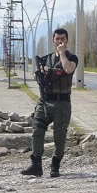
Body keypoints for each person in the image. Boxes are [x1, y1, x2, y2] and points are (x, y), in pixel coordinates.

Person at [23, 27, 77, 178]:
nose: (60, 41)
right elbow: (37, 76)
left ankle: (55, 166)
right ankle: (36, 165)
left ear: (67, 41)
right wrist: (40, 74)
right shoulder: (46, 59)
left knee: (59, 137)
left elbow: (67, 69)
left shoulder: (72, 58)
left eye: (63, 39)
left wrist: (62, 54)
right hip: (45, 101)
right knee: (37, 131)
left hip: (62, 103)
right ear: (53, 40)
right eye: (57, 39)